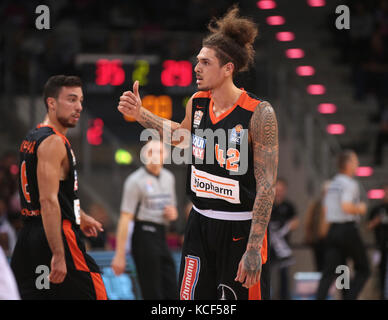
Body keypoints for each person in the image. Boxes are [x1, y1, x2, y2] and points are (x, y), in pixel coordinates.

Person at [117, 5, 278, 300]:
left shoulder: (259, 113)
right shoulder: (198, 102)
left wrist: (254, 247)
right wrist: (142, 115)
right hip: (199, 224)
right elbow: (181, 137)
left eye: (205, 62)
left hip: (239, 230)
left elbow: (266, 187)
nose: (196, 68)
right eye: (197, 61)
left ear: (228, 68)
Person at [10, 75, 107, 300]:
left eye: (81, 101)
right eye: (71, 100)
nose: (79, 107)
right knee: (96, 294)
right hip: (55, 234)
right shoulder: (53, 143)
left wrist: (80, 217)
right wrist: (58, 254)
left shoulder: (32, 136)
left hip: (29, 235)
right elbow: (48, 201)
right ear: (51, 103)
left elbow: (55, 194)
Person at [111, 140, 179, 299]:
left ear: (166, 155)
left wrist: (173, 214)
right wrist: (119, 255)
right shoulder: (135, 181)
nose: (155, 155)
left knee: (171, 289)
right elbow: (125, 218)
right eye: (151, 152)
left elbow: (173, 210)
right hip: (143, 235)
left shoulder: (169, 177)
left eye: (160, 152)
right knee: (152, 291)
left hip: (162, 235)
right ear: (144, 155)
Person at [316, 150, 370, 300]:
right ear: (347, 164)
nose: (357, 164)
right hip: (347, 229)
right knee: (364, 269)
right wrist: (361, 208)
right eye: (355, 161)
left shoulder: (332, 184)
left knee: (336, 270)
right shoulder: (349, 183)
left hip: (333, 230)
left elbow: (325, 209)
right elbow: (346, 206)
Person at [268, 178, 299, 300]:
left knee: (284, 275)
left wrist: (288, 227)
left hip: (283, 248)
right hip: (269, 248)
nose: (279, 192)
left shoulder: (288, 206)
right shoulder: (268, 204)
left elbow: (296, 221)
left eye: (281, 189)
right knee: (267, 274)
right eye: (277, 189)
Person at [367, 184, 388, 299]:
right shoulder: (377, 209)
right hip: (380, 247)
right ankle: (381, 295)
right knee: (380, 273)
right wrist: (377, 221)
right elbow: (368, 226)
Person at [304, 181, 330, 272]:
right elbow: (308, 222)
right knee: (319, 266)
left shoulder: (336, 207)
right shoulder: (315, 205)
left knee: (333, 266)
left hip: (332, 241)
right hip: (318, 240)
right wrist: (309, 236)